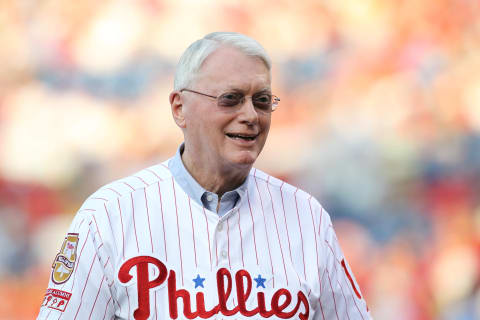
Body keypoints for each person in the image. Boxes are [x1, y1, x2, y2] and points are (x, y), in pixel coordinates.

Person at [37, 32, 371, 320]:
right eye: (231, 99)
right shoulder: (110, 214)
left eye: (262, 100)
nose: (250, 115)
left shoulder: (306, 216)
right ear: (180, 108)